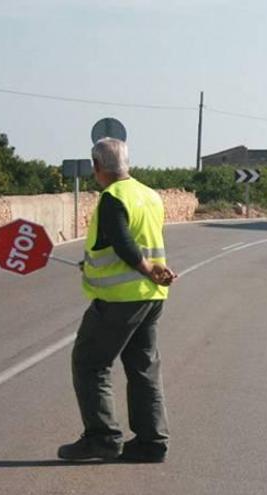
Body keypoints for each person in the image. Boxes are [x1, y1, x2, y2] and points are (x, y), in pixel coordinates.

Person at [58, 138, 176, 463]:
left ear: (97, 167)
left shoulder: (112, 198)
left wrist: (146, 268)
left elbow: (125, 242)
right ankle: (152, 442)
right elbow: (127, 240)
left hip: (120, 299)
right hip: (151, 297)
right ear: (127, 163)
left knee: (90, 363)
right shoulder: (149, 195)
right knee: (143, 368)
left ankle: (102, 438)